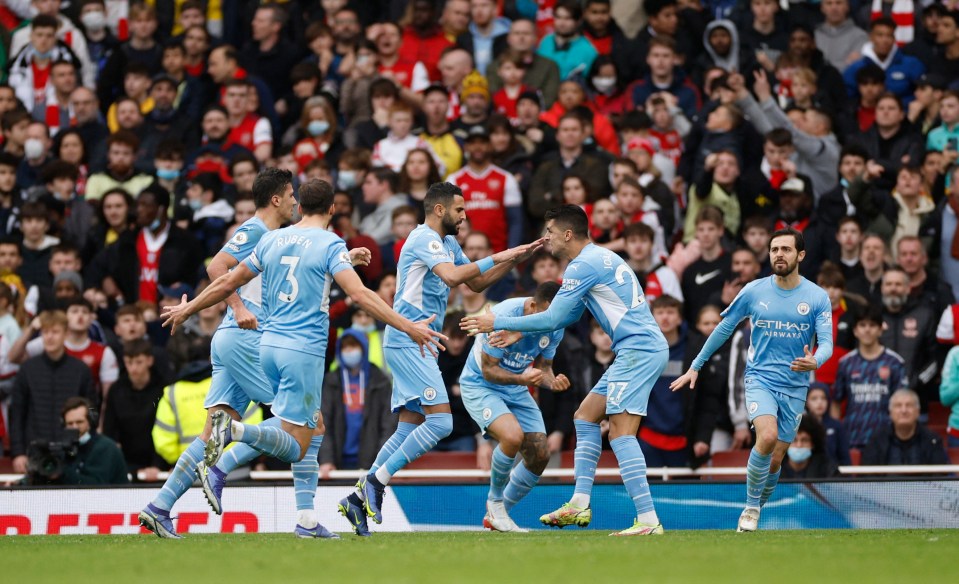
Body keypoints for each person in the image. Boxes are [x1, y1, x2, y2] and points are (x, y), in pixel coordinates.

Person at [159, 178, 447, 539]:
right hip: (302, 351)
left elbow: (227, 281)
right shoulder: (329, 242)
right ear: (331, 210)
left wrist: (190, 311)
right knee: (297, 441)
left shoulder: (274, 240)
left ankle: (306, 519)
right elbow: (359, 295)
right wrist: (408, 327)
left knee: (311, 431)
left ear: (301, 206)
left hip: (267, 347)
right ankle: (232, 433)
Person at [341, 182, 542, 535]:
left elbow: (475, 284)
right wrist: (502, 252)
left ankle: (357, 500)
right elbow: (451, 276)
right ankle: (375, 483)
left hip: (420, 341)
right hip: (409, 337)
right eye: (459, 210)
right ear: (439, 210)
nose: (464, 217)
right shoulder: (423, 239)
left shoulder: (447, 243)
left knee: (408, 425)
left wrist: (514, 258)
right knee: (441, 423)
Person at [462, 204, 670, 537]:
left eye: (550, 233)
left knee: (621, 433)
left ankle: (647, 520)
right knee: (585, 417)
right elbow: (569, 314)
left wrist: (496, 321)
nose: (547, 239)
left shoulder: (580, 265)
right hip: (640, 349)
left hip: (638, 351)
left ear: (567, 234)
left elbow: (555, 318)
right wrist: (520, 330)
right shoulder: (601, 258)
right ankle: (579, 502)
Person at [671, 227, 833, 532]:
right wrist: (695, 366)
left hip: (796, 384)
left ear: (800, 255)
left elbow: (826, 342)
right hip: (760, 379)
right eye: (774, 249)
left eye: (785, 249)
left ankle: (757, 503)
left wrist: (816, 360)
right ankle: (749, 508)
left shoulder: (816, 296)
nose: (779, 255)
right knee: (767, 437)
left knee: (776, 461)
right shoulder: (754, 290)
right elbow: (722, 329)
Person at [459, 281, 567, 532]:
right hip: (481, 385)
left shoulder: (555, 323)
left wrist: (553, 382)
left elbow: (545, 368)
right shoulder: (503, 317)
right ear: (531, 305)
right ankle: (494, 502)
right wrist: (522, 378)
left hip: (516, 387)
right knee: (512, 436)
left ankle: (498, 514)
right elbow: (488, 371)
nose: (548, 322)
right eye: (544, 314)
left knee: (540, 454)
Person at [8, 310, 97, 475]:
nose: (49, 337)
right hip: (34, 452)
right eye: (45, 332)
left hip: (73, 452)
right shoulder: (28, 369)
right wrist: (18, 452)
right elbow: (17, 413)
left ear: (66, 334)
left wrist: (88, 447)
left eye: (55, 332)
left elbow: (92, 412)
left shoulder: (80, 370)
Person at [318, 329, 396, 476]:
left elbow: (389, 424)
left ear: (363, 348)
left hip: (372, 463)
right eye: (344, 347)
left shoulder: (380, 381)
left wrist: (382, 461)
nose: (349, 351)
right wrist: (326, 459)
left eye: (353, 346)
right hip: (336, 463)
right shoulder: (331, 381)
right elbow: (323, 423)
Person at [832, 307, 908, 449]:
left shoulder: (894, 362)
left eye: (872, 325)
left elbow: (902, 402)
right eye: (862, 325)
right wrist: (837, 435)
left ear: (880, 330)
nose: (867, 330)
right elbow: (836, 402)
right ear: (855, 331)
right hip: (852, 438)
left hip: (887, 440)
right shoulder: (846, 363)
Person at [861, 389, 949, 466]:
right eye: (898, 405)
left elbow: (941, 478)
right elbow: (866, 478)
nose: (904, 410)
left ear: (918, 412)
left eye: (909, 405)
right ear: (890, 412)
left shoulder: (932, 440)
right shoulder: (877, 440)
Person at [57, 397, 129, 485]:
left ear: (90, 423)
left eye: (79, 422)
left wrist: (61, 473)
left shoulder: (105, 448)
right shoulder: (65, 449)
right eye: (70, 423)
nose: (74, 427)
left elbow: (95, 487)